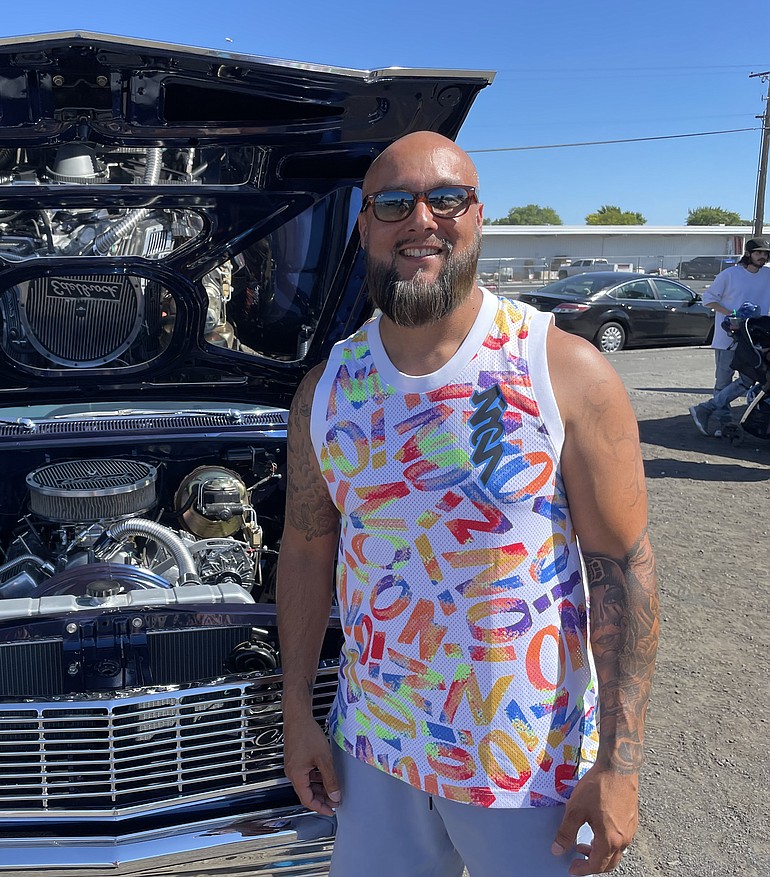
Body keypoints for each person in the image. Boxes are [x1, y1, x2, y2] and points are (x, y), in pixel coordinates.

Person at [278, 132, 659, 877]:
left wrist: (620, 763)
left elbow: (624, 570)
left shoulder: (563, 371)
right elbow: (304, 548)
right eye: (395, 202)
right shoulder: (326, 391)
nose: (422, 219)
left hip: (525, 771)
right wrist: (297, 710)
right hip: (377, 754)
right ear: (364, 225)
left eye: (445, 198)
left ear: (479, 216)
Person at [688, 238, 770, 436]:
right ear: (748, 253)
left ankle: (704, 409)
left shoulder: (768, 275)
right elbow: (708, 300)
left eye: (766, 254)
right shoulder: (730, 275)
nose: (763, 257)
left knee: (748, 379)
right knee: (723, 381)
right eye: (759, 253)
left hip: (755, 339)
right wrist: (731, 315)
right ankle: (726, 423)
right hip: (728, 338)